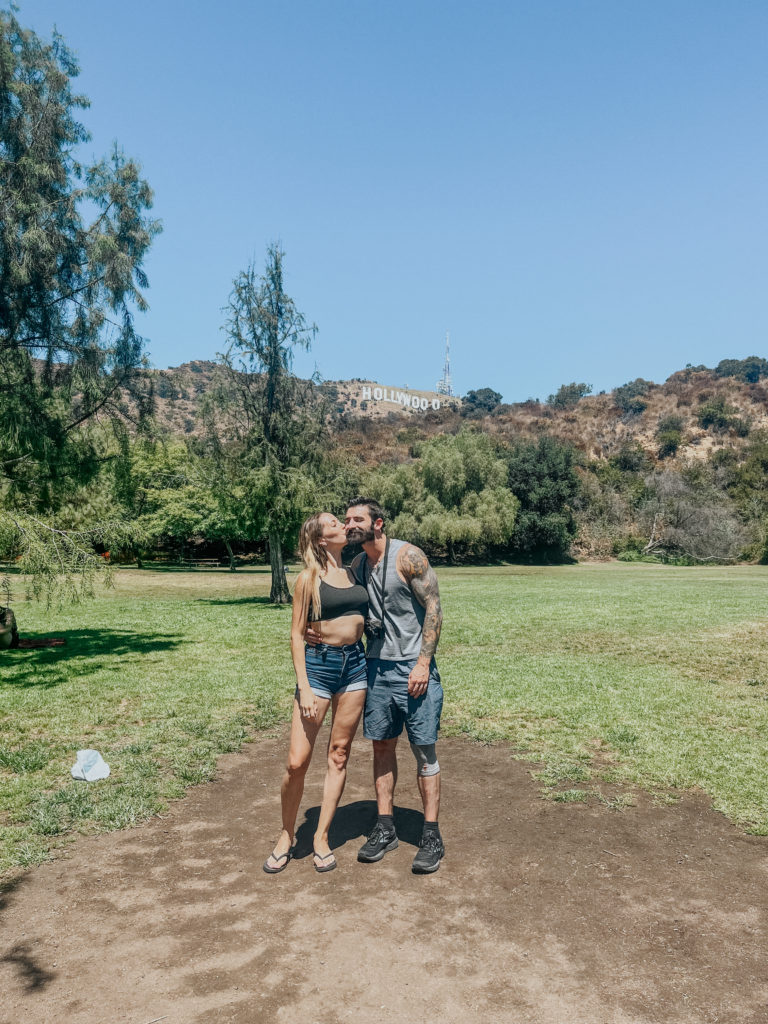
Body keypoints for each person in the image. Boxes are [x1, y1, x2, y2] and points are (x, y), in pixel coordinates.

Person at [263, 512, 369, 874]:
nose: (344, 526)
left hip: (355, 667)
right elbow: (295, 635)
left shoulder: (356, 570)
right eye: (335, 523)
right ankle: (287, 833)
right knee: (297, 762)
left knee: (338, 755)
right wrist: (304, 688)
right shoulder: (307, 579)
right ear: (322, 539)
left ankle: (321, 836)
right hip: (319, 670)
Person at [345, 496, 445, 874]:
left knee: (424, 752)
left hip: (412, 670)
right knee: (382, 747)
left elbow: (434, 607)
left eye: (357, 519)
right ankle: (385, 827)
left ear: (379, 523)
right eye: (347, 519)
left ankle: (431, 835)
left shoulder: (409, 557)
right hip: (376, 668)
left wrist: (423, 663)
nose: (350, 524)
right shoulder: (356, 564)